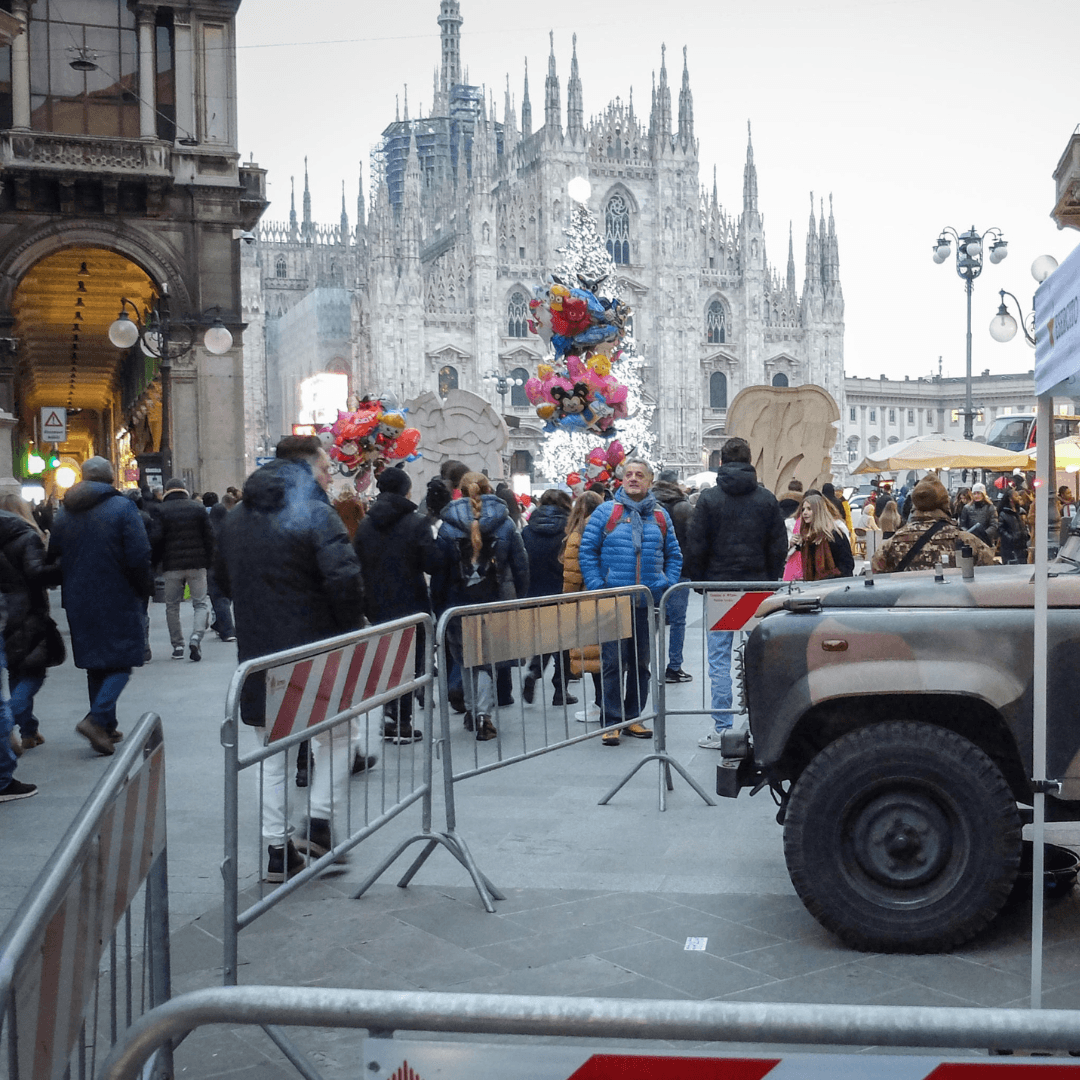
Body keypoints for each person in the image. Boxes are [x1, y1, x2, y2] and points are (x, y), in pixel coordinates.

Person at [215, 435, 365, 882]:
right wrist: (350, 631)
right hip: (317, 649)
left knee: (272, 752)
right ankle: (319, 823)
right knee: (338, 738)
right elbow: (344, 579)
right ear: (306, 467)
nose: (327, 476)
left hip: (259, 653)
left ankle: (277, 851)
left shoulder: (236, 517)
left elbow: (221, 580)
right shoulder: (316, 514)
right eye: (324, 468)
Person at [683, 438, 787, 750]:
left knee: (718, 660)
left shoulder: (709, 499)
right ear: (750, 460)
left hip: (721, 589)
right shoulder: (767, 499)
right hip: (756, 588)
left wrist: (701, 581)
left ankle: (723, 728)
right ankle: (759, 726)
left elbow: (696, 543)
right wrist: (769, 579)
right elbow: (778, 545)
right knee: (757, 657)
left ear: (721, 462)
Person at [49, 457, 153, 756]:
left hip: (78, 598)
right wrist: (143, 588)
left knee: (95, 662)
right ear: (111, 479)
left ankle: (106, 726)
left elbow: (54, 554)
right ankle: (96, 719)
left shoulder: (64, 513)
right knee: (123, 660)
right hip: (117, 595)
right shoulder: (123, 508)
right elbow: (139, 554)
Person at [578, 459, 681, 746]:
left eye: (640, 475)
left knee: (640, 663)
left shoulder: (660, 516)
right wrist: (599, 585)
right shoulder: (605, 512)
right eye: (629, 475)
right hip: (613, 601)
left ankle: (634, 717)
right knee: (612, 662)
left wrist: (666, 582)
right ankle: (612, 721)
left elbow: (674, 554)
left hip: (645, 602)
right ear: (622, 480)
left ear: (650, 481)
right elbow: (587, 551)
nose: (633, 479)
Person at [430, 471, 529, 742]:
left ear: (460, 492)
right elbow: (520, 565)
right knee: (487, 660)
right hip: (495, 598)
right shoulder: (506, 522)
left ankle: (474, 711)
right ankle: (484, 714)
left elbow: (440, 570)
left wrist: (437, 602)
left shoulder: (447, 525)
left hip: (457, 601)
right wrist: (518, 595)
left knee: (465, 658)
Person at [352, 465, 437, 743]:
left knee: (387, 662)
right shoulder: (416, 523)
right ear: (406, 490)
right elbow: (430, 563)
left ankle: (390, 715)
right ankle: (402, 720)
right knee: (411, 663)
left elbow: (357, 563)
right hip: (411, 602)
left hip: (377, 604)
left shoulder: (365, 524)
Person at [0, 497, 63, 753]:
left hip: (4, 610)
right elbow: (37, 573)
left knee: (17, 669)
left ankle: (28, 730)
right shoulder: (28, 537)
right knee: (34, 672)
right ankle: (5, 728)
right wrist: (59, 566)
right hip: (27, 610)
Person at [520, 489, 577, 707]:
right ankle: (559, 690)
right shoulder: (568, 530)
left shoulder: (528, 531)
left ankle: (534, 671)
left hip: (533, 592)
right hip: (561, 590)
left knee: (546, 638)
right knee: (563, 642)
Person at [871, 477, 995, 573]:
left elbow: (871, 577)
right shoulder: (966, 541)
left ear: (915, 504)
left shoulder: (890, 544)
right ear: (945, 505)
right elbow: (991, 572)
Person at [155, 477, 215, 661]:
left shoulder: (161, 510)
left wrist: (157, 563)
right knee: (200, 603)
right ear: (184, 490)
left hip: (172, 566)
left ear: (167, 491)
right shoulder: (197, 508)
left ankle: (178, 645)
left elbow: (156, 539)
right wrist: (208, 561)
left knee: (172, 606)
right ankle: (196, 636)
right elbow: (210, 537)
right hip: (197, 565)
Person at [561, 490, 604, 722]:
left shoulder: (577, 535)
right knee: (607, 654)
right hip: (608, 598)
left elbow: (572, 574)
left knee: (593, 656)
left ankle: (600, 703)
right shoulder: (609, 530)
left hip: (586, 599)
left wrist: (568, 600)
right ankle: (608, 702)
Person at [651, 469, 694, 684]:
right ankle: (674, 667)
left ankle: (644, 664)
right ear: (676, 483)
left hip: (651, 570)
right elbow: (692, 539)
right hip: (679, 570)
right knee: (678, 621)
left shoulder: (648, 505)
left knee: (649, 620)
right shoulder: (683, 506)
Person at [793, 493, 855, 580]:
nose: (804, 513)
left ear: (819, 511)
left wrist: (827, 578)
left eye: (809, 509)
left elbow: (847, 566)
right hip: (813, 588)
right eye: (803, 509)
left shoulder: (834, 535)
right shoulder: (807, 538)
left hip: (833, 587)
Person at [206, 492, 236, 641]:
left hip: (212, 566)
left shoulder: (209, 529)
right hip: (229, 565)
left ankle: (227, 630)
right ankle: (221, 624)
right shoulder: (230, 528)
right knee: (225, 598)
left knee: (218, 598)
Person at [997, 489, 1029, 565]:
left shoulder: (1019, 512)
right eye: (1016, 496)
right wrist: (1011, 538)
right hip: (1009, 547)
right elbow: (1000, 529)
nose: (1019, 497)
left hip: (1021, 545)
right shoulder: (1003, 514)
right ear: (1010, 499)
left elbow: (1024, 525)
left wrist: (1026, 534)